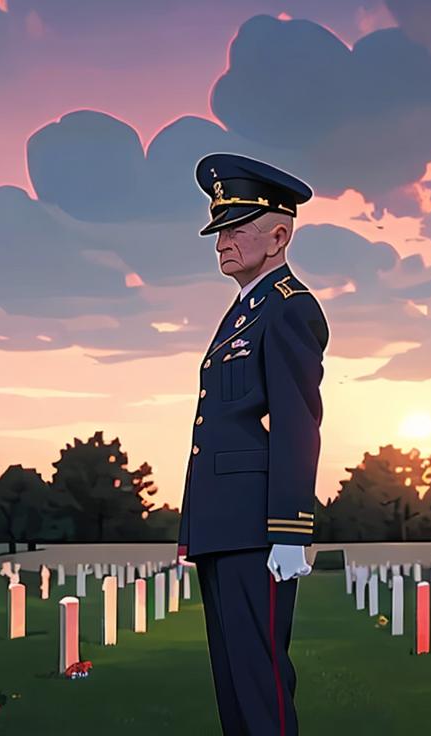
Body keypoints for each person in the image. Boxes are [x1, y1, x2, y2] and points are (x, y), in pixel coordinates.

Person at [177, 152, 329, 736]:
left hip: (257, 527)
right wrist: (194, 527)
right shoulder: (238, 314)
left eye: (237, 228)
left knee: (260, 686)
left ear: (280, 234)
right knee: (233, 686)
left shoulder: (289, 310)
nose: (222, 242)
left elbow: (297, 421)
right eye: (219, 230)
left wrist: (290, 529)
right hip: (224, 525)